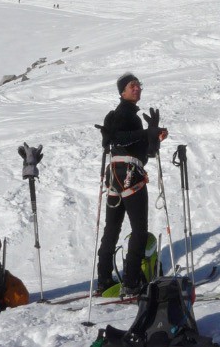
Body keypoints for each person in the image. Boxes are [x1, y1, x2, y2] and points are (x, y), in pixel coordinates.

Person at [96, 73, 169, 296]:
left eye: (139, 86)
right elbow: (121, 138)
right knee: (139, 229)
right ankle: (130, 281)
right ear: (122, 92)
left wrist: (153, 136)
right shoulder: (124, 112)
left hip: (115, 176)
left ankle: (104, 279)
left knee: (112, 228)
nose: (137, 89)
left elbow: (144, 151)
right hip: (130, 175)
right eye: (132, 86)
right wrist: (147, 132)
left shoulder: (126, 114)